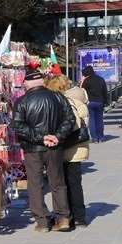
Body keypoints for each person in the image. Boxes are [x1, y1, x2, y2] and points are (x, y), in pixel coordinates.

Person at [10, 71, 75, 233]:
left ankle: (43, 221)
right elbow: (70, 119)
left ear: (28, 84)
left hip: (33, 148)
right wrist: (57, 137)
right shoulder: (58, 97)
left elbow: (18, 125)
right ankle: (63, 217)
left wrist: (40, 138)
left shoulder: (22, 101)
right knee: (57, 182)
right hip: (54, 147)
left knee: (35, 184)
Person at [45, 74, 90, 229]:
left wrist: (58, 137)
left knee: (67, 183)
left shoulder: (66, 101)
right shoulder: (79, 97)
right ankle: (79, 217)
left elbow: (72, 123)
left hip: (69, 147)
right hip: (78, 147)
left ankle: (73, 216)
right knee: (75, 183)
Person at [80, 65, 109, 143]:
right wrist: (106, 102)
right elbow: (105, 92)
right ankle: (101, 137)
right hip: (100, 102)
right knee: (100, 120)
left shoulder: (86, 81)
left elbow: (81, 91)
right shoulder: (101, 79)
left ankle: (95, 138)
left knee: (92, 120)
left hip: (90, 102)